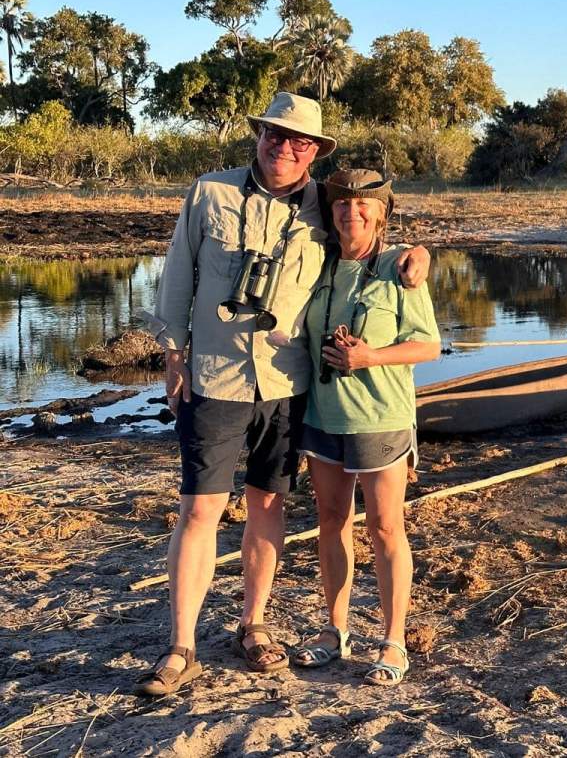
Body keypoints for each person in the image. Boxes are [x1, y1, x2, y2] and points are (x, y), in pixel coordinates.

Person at [134, 93, 430, 696]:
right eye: (275, 134)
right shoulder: (209, 192)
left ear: (316, 152)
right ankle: (181, 647)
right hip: (214, 374)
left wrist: (420, 255)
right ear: (259, 135)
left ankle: (254, 625)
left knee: (268, 505)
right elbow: (177, 275)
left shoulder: (323, 203)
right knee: (198, 509)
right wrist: (172, 354)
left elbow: (373, 231)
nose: (285, 147)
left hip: (289, 383)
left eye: (301, 142)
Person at [289, 168, 439, 686]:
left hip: (382, 418)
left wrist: (371, 356)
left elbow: (429, 346)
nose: (351, 212)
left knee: (384, 527)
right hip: (322, 415)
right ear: (330, 212)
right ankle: (335, 631)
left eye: (363, 205)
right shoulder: (316, 263)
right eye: (342, 204)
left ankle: (393, 640)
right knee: (331, 521)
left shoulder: (400, 267)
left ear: (381, 212)